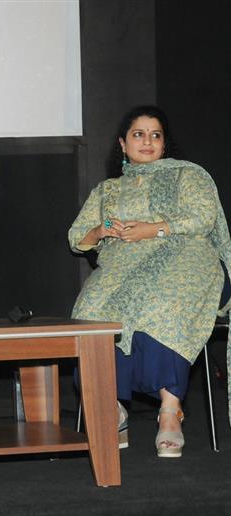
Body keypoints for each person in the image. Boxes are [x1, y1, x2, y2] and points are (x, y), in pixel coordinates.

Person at [68, 105, 231, 457]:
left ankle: (170, 411)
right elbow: (77, 238)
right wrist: (101, 230)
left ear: (164, 144)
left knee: (162, 301)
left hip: (184, 256)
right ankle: (110, 407)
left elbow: (204, 218)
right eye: (138, 134)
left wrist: (153, 229)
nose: (147, 141)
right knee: (93, 308)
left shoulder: (188, 176)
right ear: (122, 145)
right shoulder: (107, 190)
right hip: (124, 264)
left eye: (155, 135)